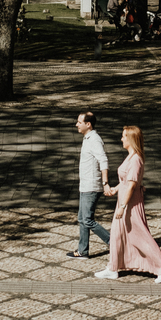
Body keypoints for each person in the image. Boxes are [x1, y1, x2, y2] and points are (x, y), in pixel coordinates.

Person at [95, 125, 161, 283]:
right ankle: (113, 268)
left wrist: (123, 207)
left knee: (141, 237)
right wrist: (115, 189)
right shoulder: (131, 157)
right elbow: (126, 182)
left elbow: (132, 186)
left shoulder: (136, 159)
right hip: (124, 202)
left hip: (130, 205)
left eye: (124, 136)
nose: (121, 139)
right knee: (117, 235)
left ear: (131, 139)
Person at [68, 111, 110, 259]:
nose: (76, 124)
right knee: (82, 218)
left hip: (91, 186)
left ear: (88, 124)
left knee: (87, 219)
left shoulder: (94, 140)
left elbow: (103, 160)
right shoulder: (87, 138)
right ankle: (83, 251)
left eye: (79, 122)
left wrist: (105, 183)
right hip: (85, 185)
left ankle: (114, 243)